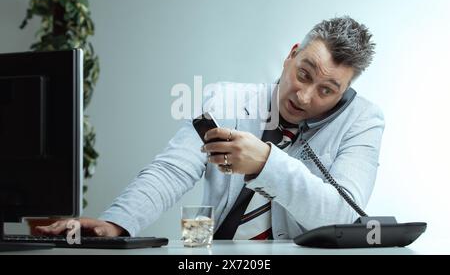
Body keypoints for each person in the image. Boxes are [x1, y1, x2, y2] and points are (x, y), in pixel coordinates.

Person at [37, 16, 384, 240]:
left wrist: (266, 163)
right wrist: (117, 222)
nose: (305, 97)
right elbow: (172, 171)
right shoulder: (225, 98)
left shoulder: (362, 122)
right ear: (292, 54)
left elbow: (342, 214)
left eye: (327, 91)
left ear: (345, 92)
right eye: (303, 74)